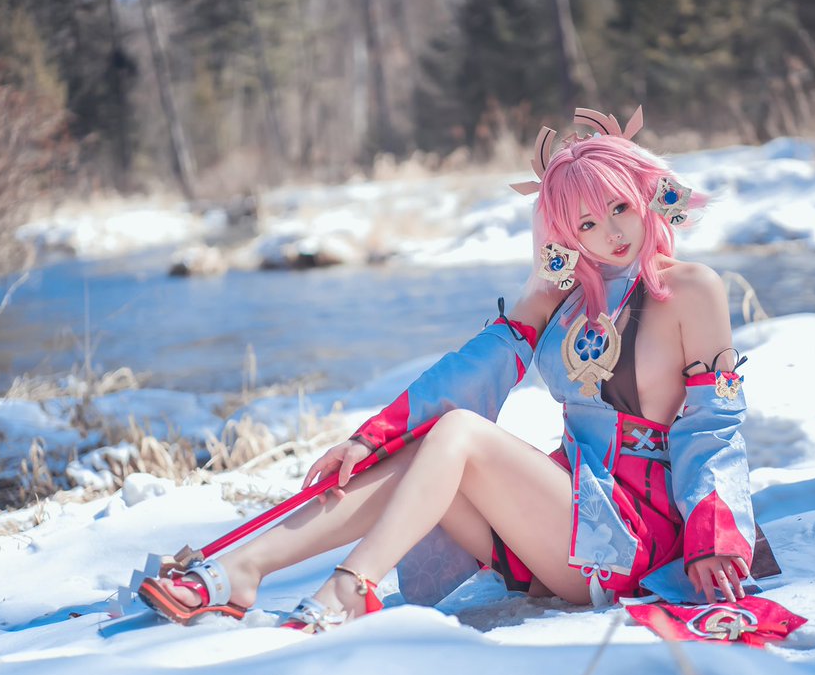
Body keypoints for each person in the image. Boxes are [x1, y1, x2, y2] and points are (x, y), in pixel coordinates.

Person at [138, 106, 770, 632]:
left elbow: (711, 428)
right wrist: (372, 438)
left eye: (619, 208)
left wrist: (713, 541)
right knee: (425, 442)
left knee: (460, 432)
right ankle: (240, 571)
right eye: (586, 222)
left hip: (631, 538)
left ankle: (353, 586)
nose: (610, 233)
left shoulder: (693, 289)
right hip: (561, 516)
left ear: (646, 196)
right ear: (564, 232)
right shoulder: (562, 297)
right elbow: (470, 374)